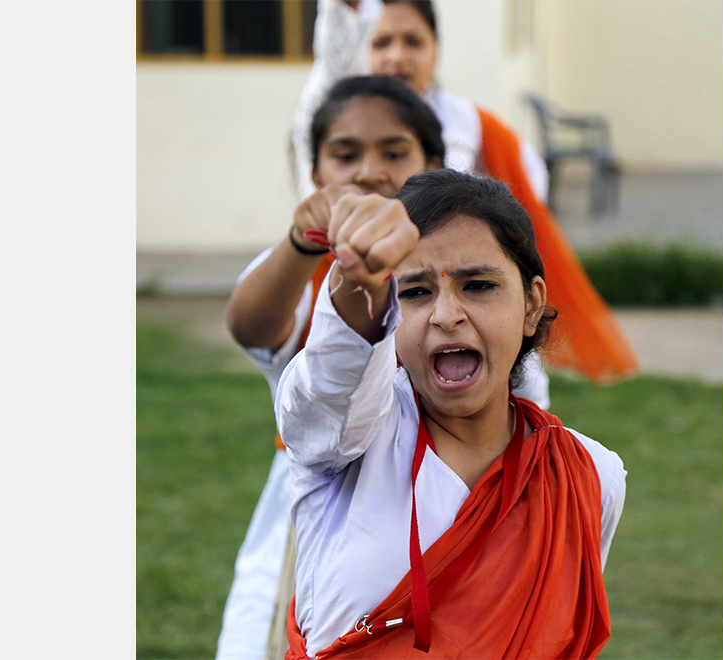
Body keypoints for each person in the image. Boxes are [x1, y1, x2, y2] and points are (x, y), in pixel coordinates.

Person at [215, 76, 548, 660]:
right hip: (321, 538)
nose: (369, 172)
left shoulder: (588, 478)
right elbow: (255, 331)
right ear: (315, 173)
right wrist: (319, 256)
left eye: (394, 153)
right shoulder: (318, 284)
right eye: (345, 155)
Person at [278, 169, 627, 658]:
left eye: (478, 286)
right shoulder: (348, 438)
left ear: (532, 305)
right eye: (415, 292)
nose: (446, 314)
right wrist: (360, 280)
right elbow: (331, 383)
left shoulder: (589, 477)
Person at [293, 0, 639, 384]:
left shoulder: (468, 123)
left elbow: (521, 190)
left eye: (413, 42)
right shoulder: (339, 114)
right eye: (381, 43)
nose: (396, 57)